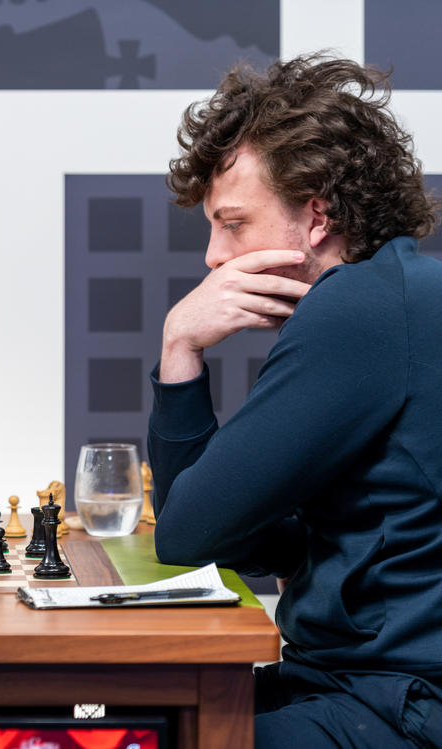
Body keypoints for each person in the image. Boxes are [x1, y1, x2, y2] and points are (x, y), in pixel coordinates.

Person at [148, 55, 442, 747]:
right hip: (361, 686)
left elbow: (187, 534)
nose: (214, 257)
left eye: (234, 222)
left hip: (393, 704)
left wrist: (179, 344)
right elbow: (250, 539)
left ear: (317, 216)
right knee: (141, 717)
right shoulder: (396, 294)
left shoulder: (358, 312)